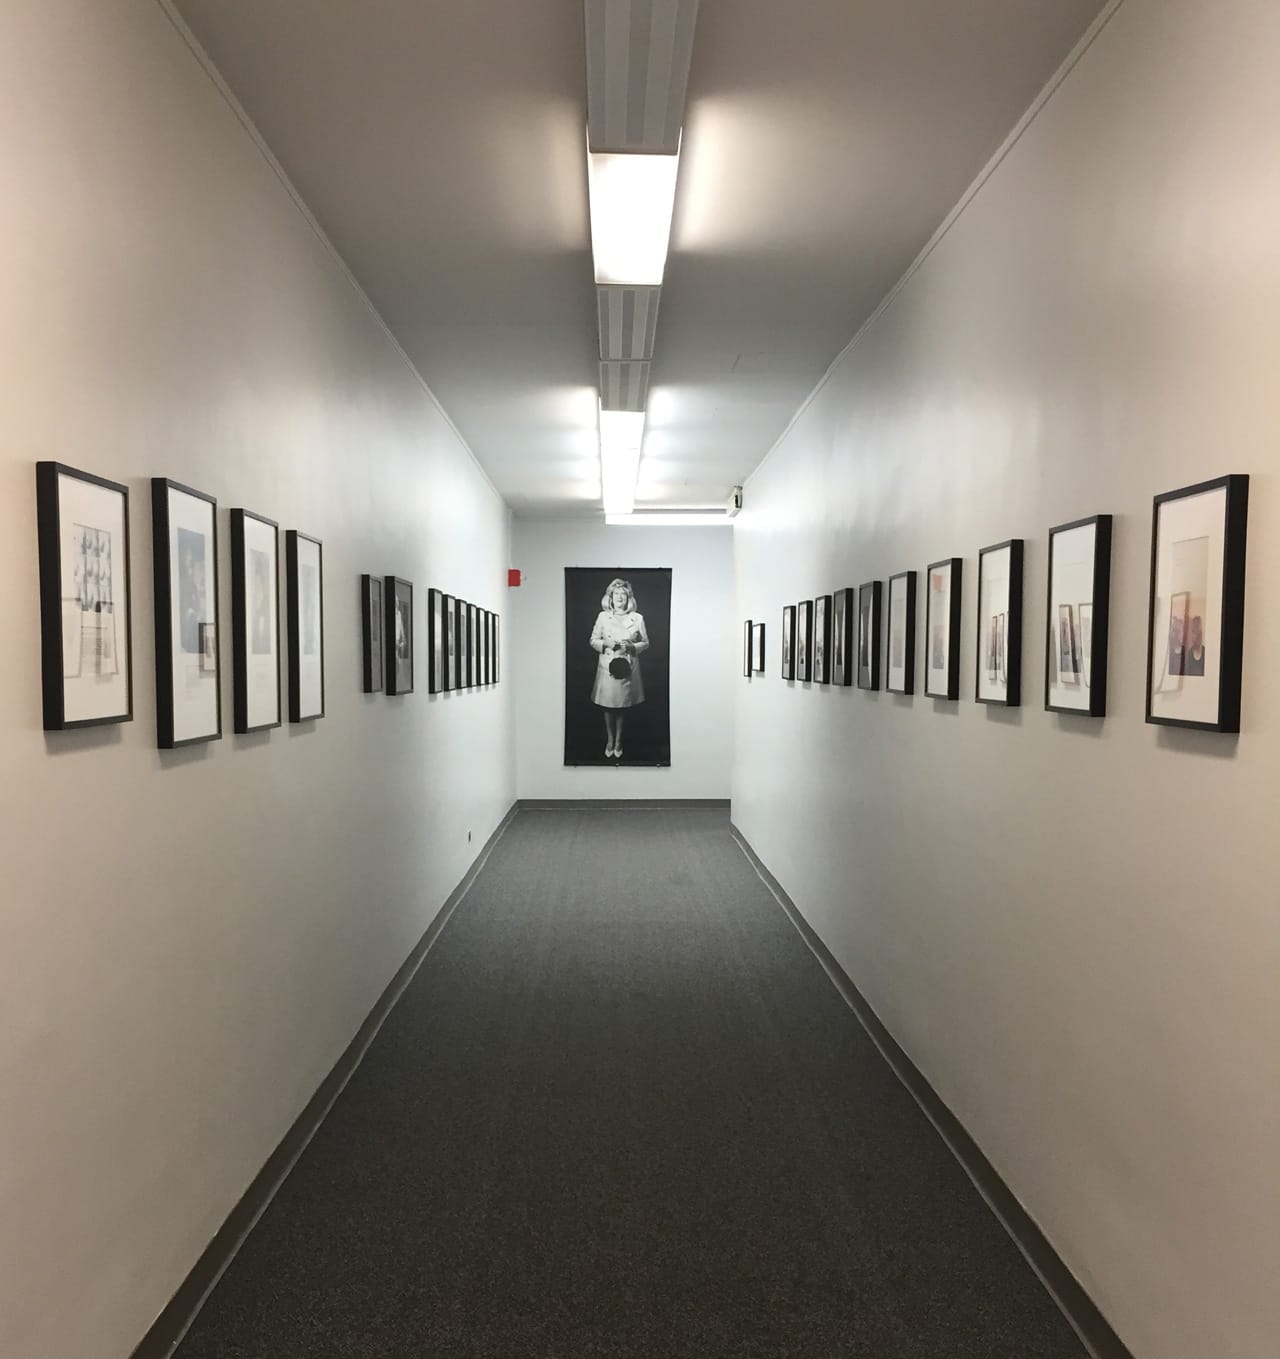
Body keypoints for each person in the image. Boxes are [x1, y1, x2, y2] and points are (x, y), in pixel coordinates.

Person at [590, 578, 649, 759]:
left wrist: (631, 646)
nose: (619, 597)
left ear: (628, 597)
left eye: (623, 594)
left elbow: (646, 643)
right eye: (616, 594)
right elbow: (593, 640)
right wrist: (606, 643)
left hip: (627, 665)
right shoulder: (603, 616)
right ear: (610, 597)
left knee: (621, 705)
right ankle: (610, 739)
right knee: (609, 705)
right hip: (608, 665)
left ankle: (618, 740)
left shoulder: (637, 618)